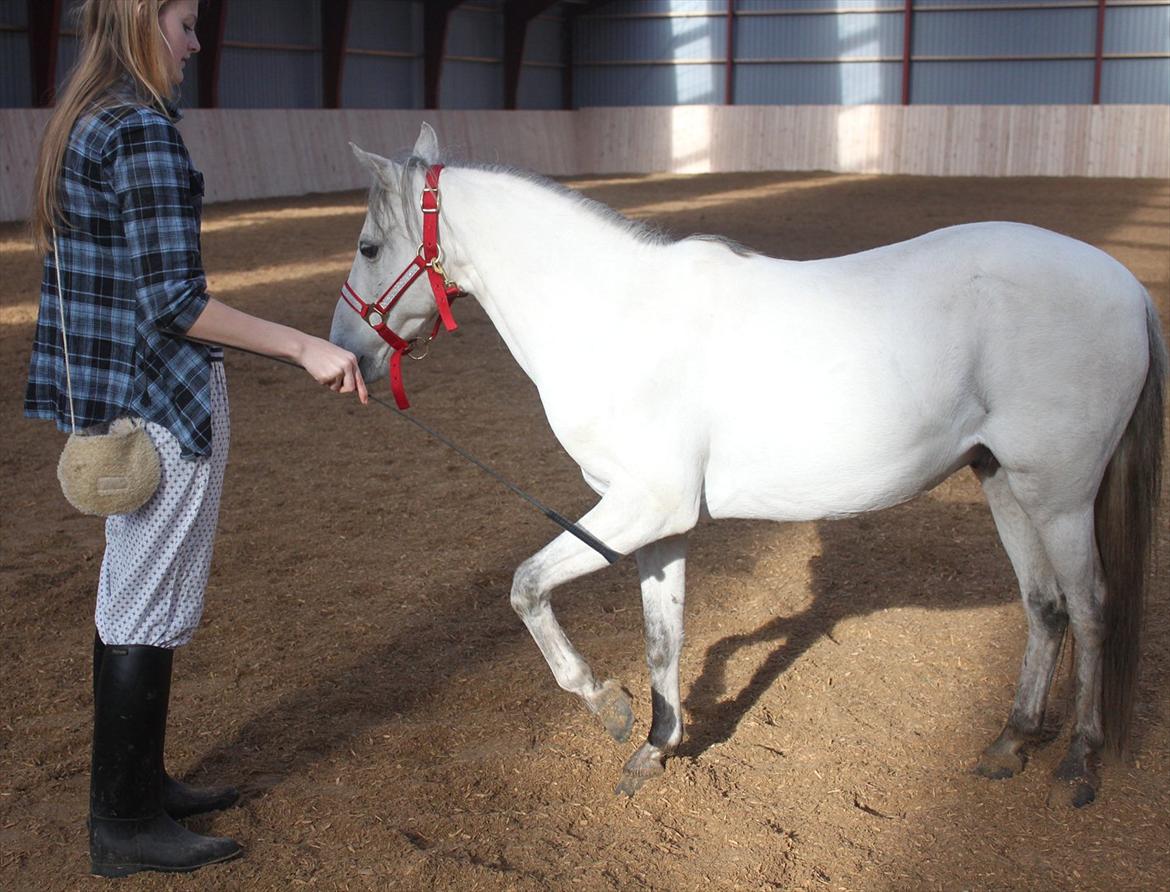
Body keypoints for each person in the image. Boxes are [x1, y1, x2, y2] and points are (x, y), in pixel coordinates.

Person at [24, 0, 367, 878]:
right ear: (142, 23)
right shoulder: (140, 129)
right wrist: (303, 346)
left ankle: (140, 786)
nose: (195, 41)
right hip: (162, 399)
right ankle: (125, 821)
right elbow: (174, 301)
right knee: (146, 598)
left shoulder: (88, 119)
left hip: (115, 394)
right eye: (183, 22)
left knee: (129, 590)